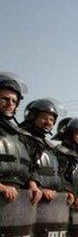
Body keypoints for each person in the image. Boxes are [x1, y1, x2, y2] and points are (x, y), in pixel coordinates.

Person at [0, 73, 42, 204]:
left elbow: (31, 167)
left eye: (14, 101)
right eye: (5, 99)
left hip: (16, 204)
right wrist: (1, 187)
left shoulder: (21, 136)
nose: (10, 104)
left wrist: (33, 184)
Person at [20, 98, 70, 203]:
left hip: (49, 201)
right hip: (26, 200)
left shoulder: (50, 147)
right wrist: (39, 188)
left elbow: (58, 174)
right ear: (33, 117)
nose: (48, 122)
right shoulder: (22, 138)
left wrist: (65, 191)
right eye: (44, 118)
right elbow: (21, 169)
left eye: (51, 120)